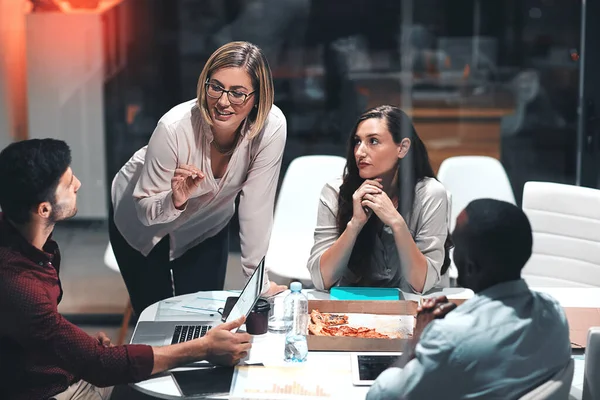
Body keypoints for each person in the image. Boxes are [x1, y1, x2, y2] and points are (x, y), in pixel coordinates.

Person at [0, 139, 252, 400]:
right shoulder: (19, 285)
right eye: (68, 183)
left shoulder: (27, 244)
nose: (78, 184)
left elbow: (37, 330)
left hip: (65, 370)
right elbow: (100, 365)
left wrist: (77, 345)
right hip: (52, 391)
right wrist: (203, 348)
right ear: (44, 209)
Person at [110, 41, 287, 316]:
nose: (223, 101)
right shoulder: (173, 127)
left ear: (258, 97)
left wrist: (257, 283)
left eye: (238, 93)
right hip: (140, 225)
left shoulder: (271, 128)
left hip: (205, 226)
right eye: (215, 87)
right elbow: (145, 210)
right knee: (156, 321)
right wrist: (174, 200)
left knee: (202, 319)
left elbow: (256, 207)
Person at [367, 199, 571, 400]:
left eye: (455, 245)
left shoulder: (450, 337)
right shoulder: (555, 314)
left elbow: (380, 395)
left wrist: (416, 344)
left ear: (471, 267)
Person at [307, 105, 450, 293]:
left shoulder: (430, 194)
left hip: (409, 307)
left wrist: (396, 222)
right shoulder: (335, 191)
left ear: (402, 148)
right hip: (351, 308)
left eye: (373, 141)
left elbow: (420, 283)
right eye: (357, 142)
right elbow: (321, 279)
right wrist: (355, 224)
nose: (359, 152)